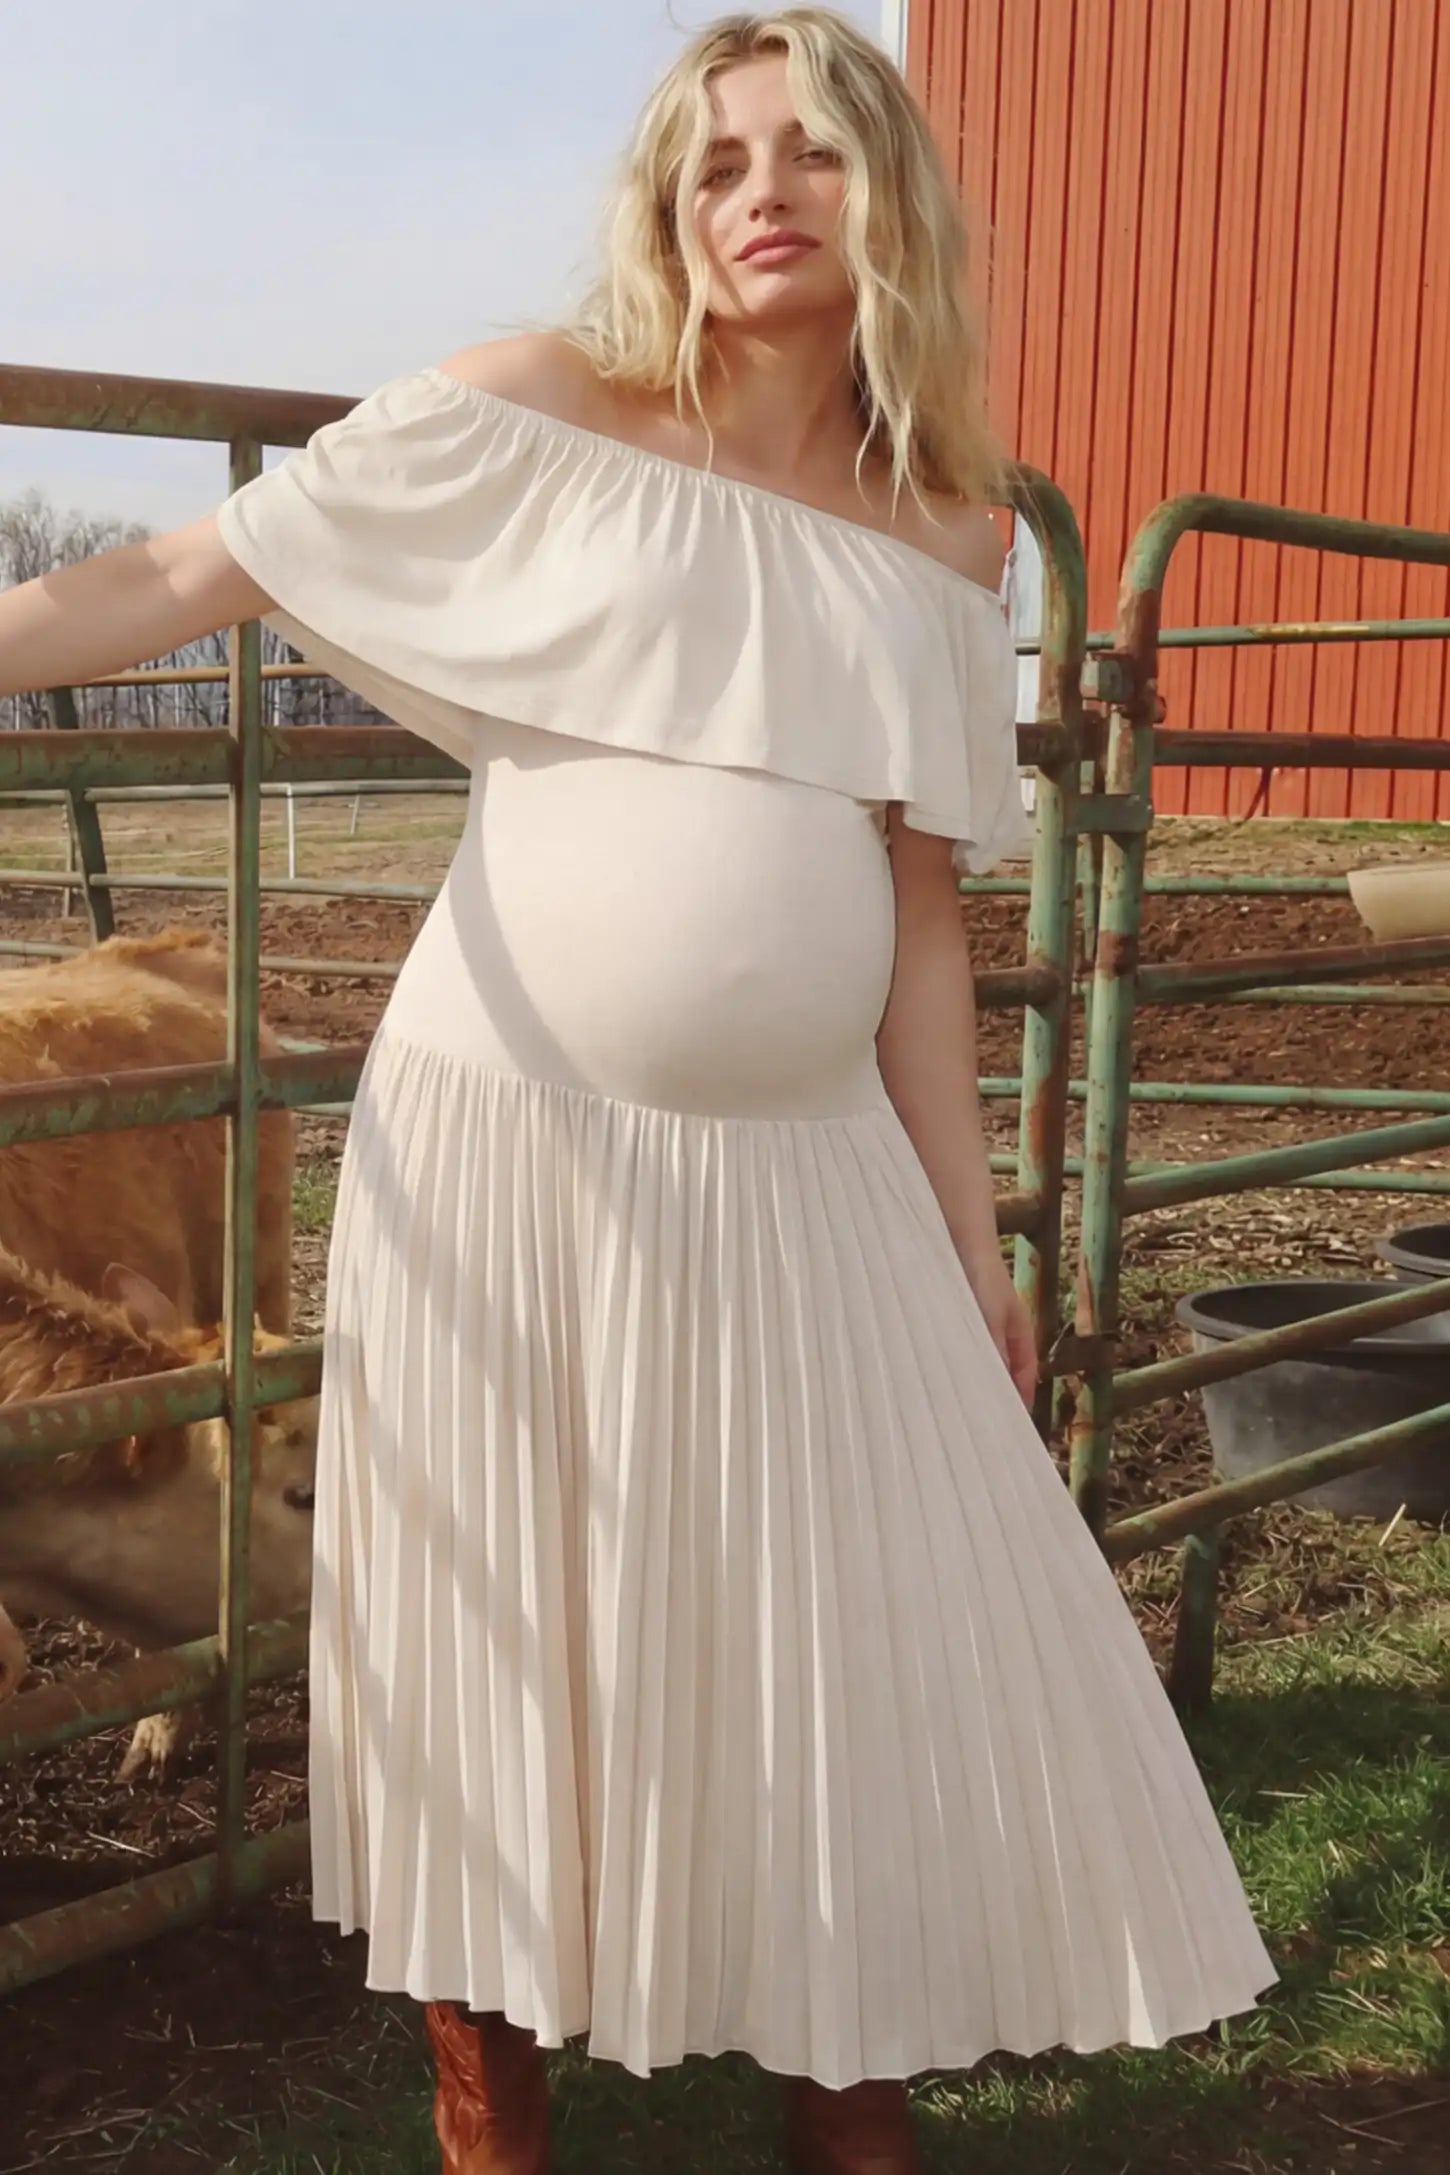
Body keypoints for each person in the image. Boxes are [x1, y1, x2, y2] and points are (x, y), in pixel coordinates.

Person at [0, 11, 1278, 2172]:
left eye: (805, 152)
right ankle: (486, 2104)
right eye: (709, 161)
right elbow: (170, 580)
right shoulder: (533, 412)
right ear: (662, 208)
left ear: (885, 195)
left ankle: (836, 2081)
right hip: (502, 1154)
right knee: (500, 1626)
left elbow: (918, 907)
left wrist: (972, 1241)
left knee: (823, 1622)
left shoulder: (945, 532)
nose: (756, 191)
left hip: (801, 1177)